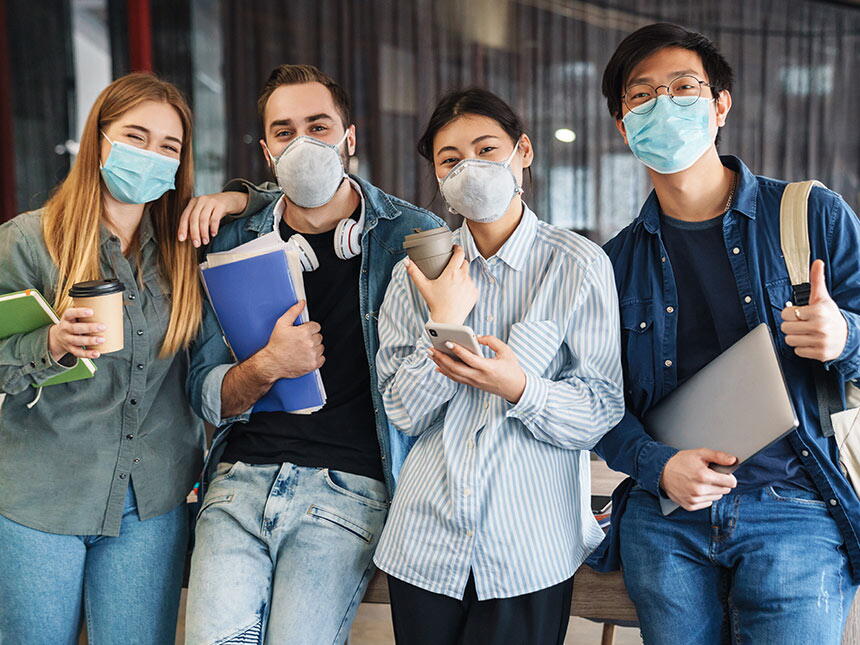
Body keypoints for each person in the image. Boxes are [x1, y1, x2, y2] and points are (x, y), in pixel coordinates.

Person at [589, 23, 860, 644]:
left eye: (684, 88)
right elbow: (598, 404)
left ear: (720, 104)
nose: (665, 105)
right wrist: (659, 467)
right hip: (668, 521)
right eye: (641, 95)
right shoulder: (610, 264)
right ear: (622, 124)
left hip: (798, 510)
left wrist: (843, 336)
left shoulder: (809, 214)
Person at [183, 64, 444, 645]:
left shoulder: (412, 234)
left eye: (319, 126)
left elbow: (436, 386)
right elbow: (204, 391)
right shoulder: (232, 239)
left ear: (350, 139)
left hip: (349, 492)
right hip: (238, 484)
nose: (302, 143)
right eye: (284, 131)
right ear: (267, 151)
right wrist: (267, 366)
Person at [373, 87, 625, 645]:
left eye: (487, 149)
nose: (471, 168)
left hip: (527, 548)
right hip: (425, 543)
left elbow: (600, 408)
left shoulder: (577, 265)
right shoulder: (412, 276)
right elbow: (402, 411)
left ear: (524, 152)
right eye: (450, 159)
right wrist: (445, 318)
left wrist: (521, 389)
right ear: (438, 178)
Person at [0, 73, 204, 644]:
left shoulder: (184, 252)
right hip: (40, 498)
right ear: (99, 140)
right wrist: (50, 345)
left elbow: (272, 204)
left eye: (169, 146)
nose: (151, 156)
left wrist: (234, 194)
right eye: (135, 136)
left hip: (152, 502)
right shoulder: (26, 242)